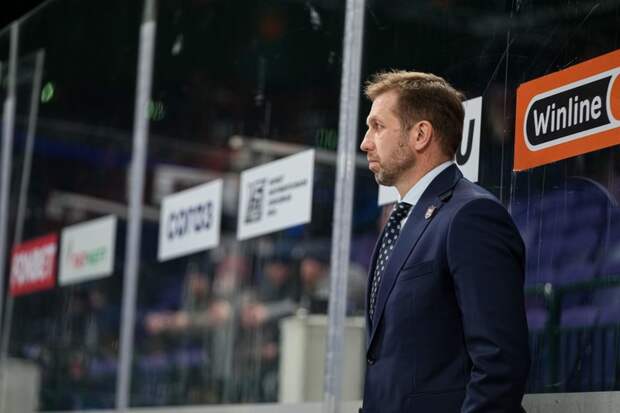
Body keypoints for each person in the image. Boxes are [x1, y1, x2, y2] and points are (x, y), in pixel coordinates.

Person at [358, 70, 530, 413]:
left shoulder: (472, 215)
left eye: (377, 126)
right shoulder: (400, 221)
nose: (365, 142)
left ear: (421, 135)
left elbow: (499, 364)